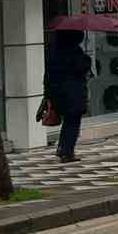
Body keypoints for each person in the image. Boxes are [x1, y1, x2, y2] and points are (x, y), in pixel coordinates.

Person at [46, 29, 92, 162]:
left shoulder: (54, 53)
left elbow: (48, 75)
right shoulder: (75, 53)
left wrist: (48, 94)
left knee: (68, 122)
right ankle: (67, 151)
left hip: (58, 93)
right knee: (72, 123)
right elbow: (81, 68)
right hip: (73, 94)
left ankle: (63, 148)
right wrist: (86, 58)